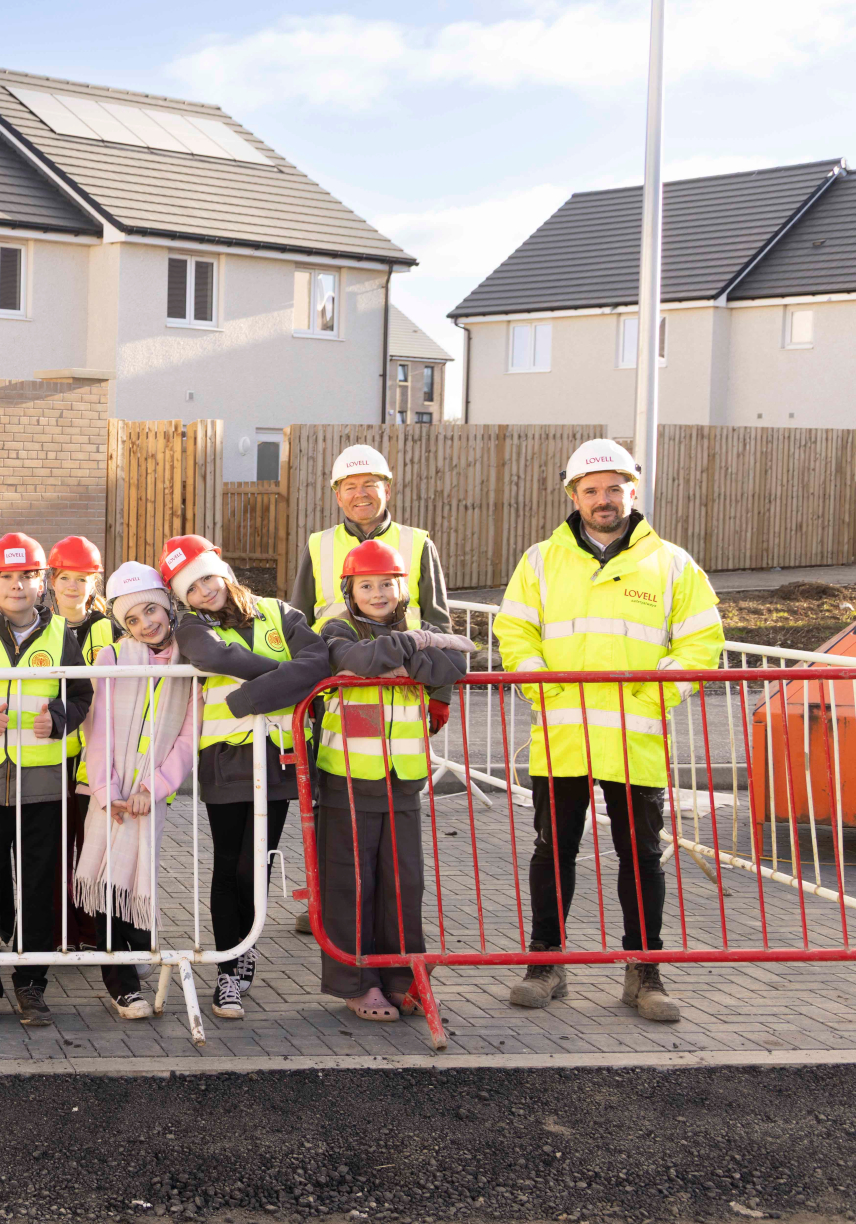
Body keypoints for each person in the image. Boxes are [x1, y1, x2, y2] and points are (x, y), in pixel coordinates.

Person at [494, 439, 723, 1024]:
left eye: (613, 488)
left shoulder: (672, 563)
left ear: (633, 492)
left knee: (643, 857)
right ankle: (546, 961)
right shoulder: (540, 560)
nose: (603, 499)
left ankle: (644, 971)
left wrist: (652, 693)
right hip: (562, 738)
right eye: (591, 489)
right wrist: (544, 687)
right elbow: (515, 635)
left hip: (634, 737)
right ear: (573, 494)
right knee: (553, 852)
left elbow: (701, 642)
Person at [164, 534, 329, 1021]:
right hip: (226, 760)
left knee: (256, 866)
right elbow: (217, 659)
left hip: (277, 758)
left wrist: (248, 695)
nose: (204, 592)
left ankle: (244, 946)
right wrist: (283, 677)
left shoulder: (280, 613)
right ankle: (228, 971)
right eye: (191, 588)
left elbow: (318, 663)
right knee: (228, 864)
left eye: (208, 579)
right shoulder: (192, 627)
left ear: (225, 570)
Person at [314, 539, 473, 1022]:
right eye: (367, 584)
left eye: (388, 583)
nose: (378, 593)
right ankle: (357, 981)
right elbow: (355, 661)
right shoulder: (336, 627)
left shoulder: (417, 626)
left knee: (403, 884)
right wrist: (411, 658)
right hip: (347, 778)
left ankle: (406, 978)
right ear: (350, 588)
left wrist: (400, 657)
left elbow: (455, 668)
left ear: (402, 587)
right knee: (350, 884)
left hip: (402, 779)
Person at [0, 532, 93, 1026]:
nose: (16, 585)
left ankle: (31, 984)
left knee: (37, 884)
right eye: (6, 576)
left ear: (40, 582)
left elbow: (81, 696)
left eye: (26, 575)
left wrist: (59, 715)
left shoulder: (61, 636)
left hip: (44, 783)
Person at [72, 562, 197, 1020]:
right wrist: (108, 790)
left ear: (166, 603)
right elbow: (96, 730)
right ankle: (122, 986)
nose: (147, 624)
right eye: (133, 619)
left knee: (134, 877)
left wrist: (153, 786)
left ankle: (138, 949)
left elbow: (188, 735)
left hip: (149, 796)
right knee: (105, 881)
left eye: (151, 610)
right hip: (110, 794)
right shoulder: (110, 659)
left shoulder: (190, 661)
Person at [290, 445, 449, 630]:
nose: (361, 494)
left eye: (369, 485)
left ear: (387, 490)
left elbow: (438, 623)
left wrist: (445, 656)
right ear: (339, 497)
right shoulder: (318, 545)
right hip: (332, 656)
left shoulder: (419, 543)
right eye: (350, 487)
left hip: (404, 655)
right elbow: (299, 620)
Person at [48, 535, 112, 949]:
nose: (73, 586)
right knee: (55, 843)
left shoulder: (107, 627)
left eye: (83, 578)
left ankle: (91, 929)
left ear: (95, 583)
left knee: (91, 845)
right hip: (53, 751)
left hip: (93, 754)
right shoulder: (41, 627)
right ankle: (58, 929)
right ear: (52, 580)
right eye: (66, 577)